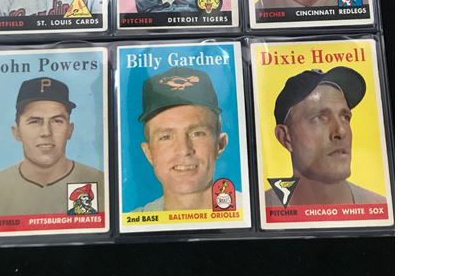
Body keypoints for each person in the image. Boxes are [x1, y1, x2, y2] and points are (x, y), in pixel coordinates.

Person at [266, 66, 386, 206]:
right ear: (285, 137)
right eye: (318, 118)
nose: (341, 131)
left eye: (345, 117)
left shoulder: (379, 207)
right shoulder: (262, 208)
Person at [0, 77, 104, 216]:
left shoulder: (102, 184)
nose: (46, 132)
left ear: (70, 130)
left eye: (57, 121)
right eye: (35, 121)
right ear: (16, 132)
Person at [133, 67, 238, 212]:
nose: (183, 150)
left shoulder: (248, 210)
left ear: (220, 144)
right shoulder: (135, 220)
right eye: (166, 137)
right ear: (148, 153)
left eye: (198, 133)